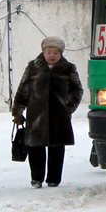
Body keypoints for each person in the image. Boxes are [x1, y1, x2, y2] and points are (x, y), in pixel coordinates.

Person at [12, 36, 83, 188]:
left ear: (61, 54)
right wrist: (18, 111)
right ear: (43, 52)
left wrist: (68, 107)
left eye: (56, 53)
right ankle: (36, 178)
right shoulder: (33, 67)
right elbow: (23, 89)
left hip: (59, 116)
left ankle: (53, 178)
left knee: (57, 148)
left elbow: (77, 90)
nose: (52, 55)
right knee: (35, 147)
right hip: (37, 115)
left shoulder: (68, 68)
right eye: (49, 52)